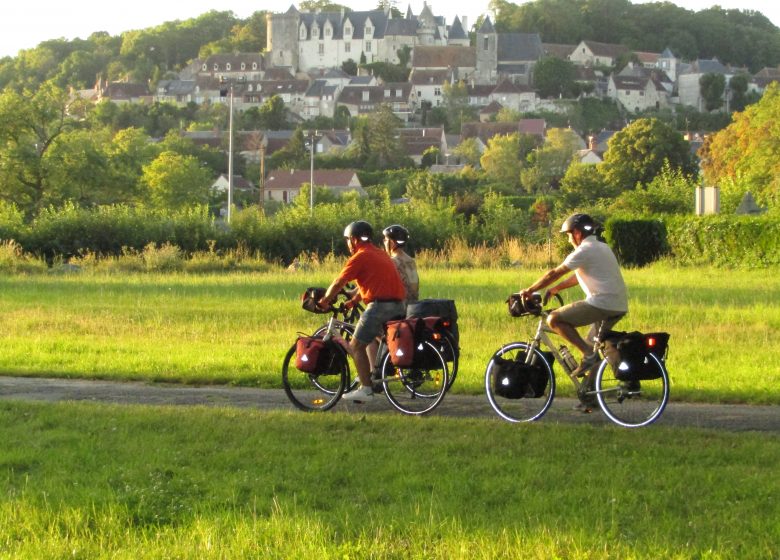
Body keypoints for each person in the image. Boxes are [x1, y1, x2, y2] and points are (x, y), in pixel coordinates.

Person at [519, 214, 628, 382]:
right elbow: (581, 275)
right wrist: (557, 288)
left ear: (577, 233)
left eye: (569, 235)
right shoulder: (601, 247)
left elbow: (554, 273)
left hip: (601, 303)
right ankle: (590, 396)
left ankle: (588, 355)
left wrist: (530, 290)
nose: (569, 240)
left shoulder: (584, 250)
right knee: (592, 346)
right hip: (617, 305)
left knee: (554, 319)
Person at [318, 221, 406, 402]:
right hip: (397, 305)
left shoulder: (359, 257)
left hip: (380, 306)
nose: (348, 244)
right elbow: (371, 283)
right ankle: (371, 375)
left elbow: (338, 283)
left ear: (353, 240)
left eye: (348, 240)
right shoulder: (380, 253)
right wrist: (352, 302)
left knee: (356, 346)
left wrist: (324, 301)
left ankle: (366, 390)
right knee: (378, 340)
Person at [382, 224, 419, 307]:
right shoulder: (411, 261)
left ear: (391, 242)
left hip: (399, 306)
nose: (384, 242)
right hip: (414, 306)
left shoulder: (392, 261)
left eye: (385, 239)